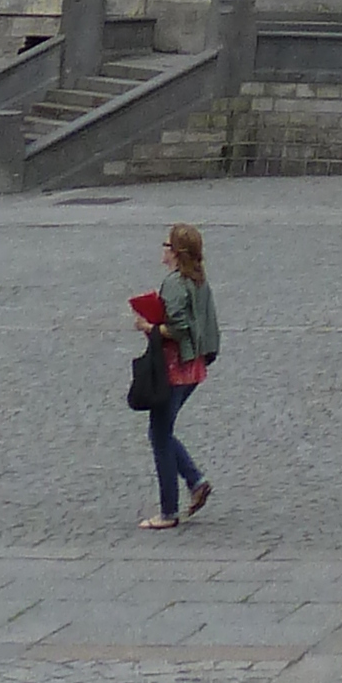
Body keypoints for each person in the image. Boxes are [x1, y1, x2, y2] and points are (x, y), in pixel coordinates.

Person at [135, 220, 220, 530]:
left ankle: (168, 511)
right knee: (163, 431)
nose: (163, 249)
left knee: (159, 434)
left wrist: (149, 328)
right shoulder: (199, 280)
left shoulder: (174, 283)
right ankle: (196, 481)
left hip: (174, 368)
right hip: (194, 368)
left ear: (176, 252)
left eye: (166, 244)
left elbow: (179, 328)